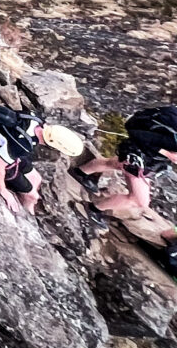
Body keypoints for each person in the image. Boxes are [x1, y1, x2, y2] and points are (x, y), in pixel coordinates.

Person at [74, 106, 177, 271]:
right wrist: (169, 154)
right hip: (138, 156)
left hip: (135, 151)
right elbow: (141, 136)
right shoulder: (174, 139)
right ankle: (94, 209)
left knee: (113, 163)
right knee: (139, 201)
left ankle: (81, 172)